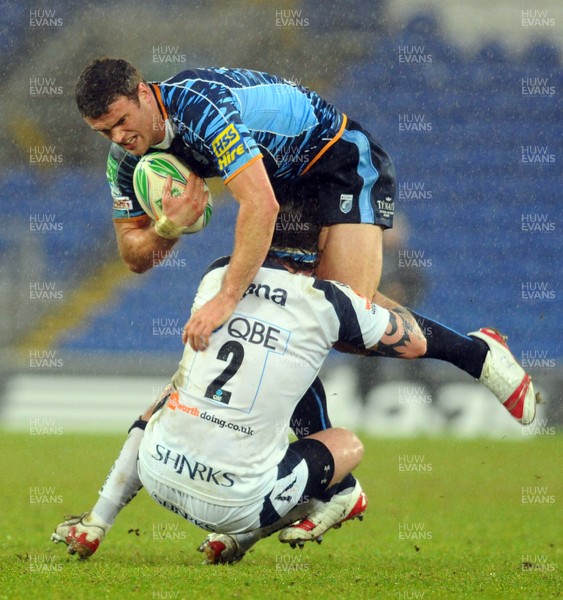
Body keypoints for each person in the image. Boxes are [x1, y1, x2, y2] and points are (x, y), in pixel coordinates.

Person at [75, 58, 537, 425]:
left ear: (142, 92)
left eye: (121, 121)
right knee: (311, 321)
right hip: (284, 184)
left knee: (347, 314)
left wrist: (227, 298)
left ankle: (480, 356)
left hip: (336, 158)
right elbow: (133, 256)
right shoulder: (126, 160)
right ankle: (324, 485)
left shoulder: (200, 109)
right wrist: (166, 228)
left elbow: (259, 206)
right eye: (104, 132)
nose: (119, 138)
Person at [52, 252, 427, 564]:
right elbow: (409, 339)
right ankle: (335, 493)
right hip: (238, 504)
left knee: (165, 402)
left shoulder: (219, 277)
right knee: (346, 444)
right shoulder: (309, 311)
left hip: (158, 478)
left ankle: (96, 522)